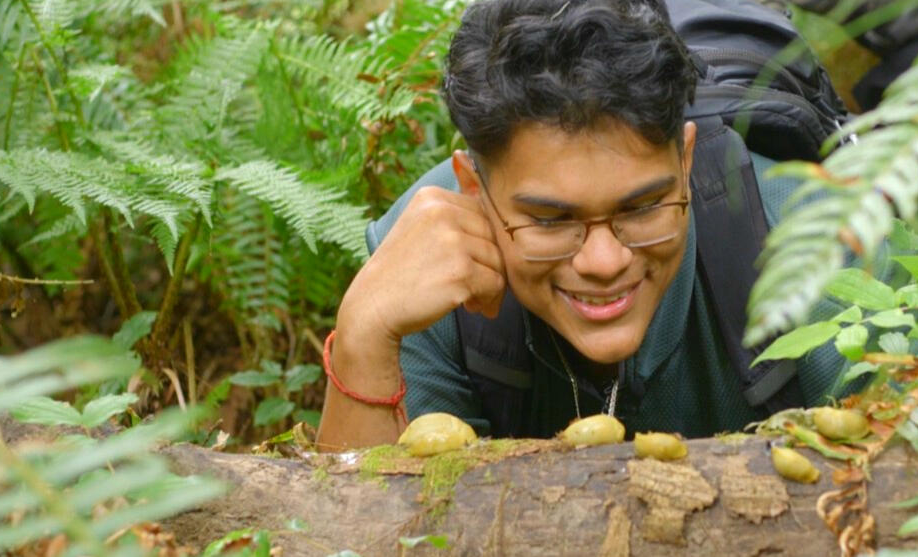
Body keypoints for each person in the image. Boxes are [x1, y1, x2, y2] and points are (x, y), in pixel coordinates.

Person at [317, 0, 876, 450]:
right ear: (473, 190)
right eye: (549, 220)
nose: (604, 263)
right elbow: (364, 524)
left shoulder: (817, 242)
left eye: (642, 208)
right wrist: (363, 335)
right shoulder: (424, 270)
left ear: (685, 162)